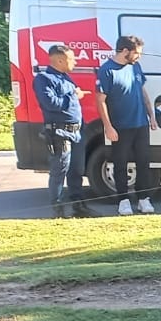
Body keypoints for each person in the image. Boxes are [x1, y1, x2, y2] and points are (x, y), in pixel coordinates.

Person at [96, 34, 158, 216]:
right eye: (136, 53)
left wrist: (151, 115)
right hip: (121, 126)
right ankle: (123, 200)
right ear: (125, 51)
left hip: (141, 124)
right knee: (121, 163)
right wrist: (108, 126)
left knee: (143, 161)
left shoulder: (135, 67)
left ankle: (143, 199)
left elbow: (142, 90)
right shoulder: (107, 70)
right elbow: (100, 101)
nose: (139, 56)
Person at [34, 44, 96, 218]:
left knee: (77, 171)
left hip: (76, 132)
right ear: (60, 60)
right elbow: (50, 103)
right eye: (72, 58)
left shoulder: (67, 78)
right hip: (59, 133)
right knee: (60, 170)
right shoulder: (44, 79)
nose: (75, 62)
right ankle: (58, 209)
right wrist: (73, 96)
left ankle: (79, 207)